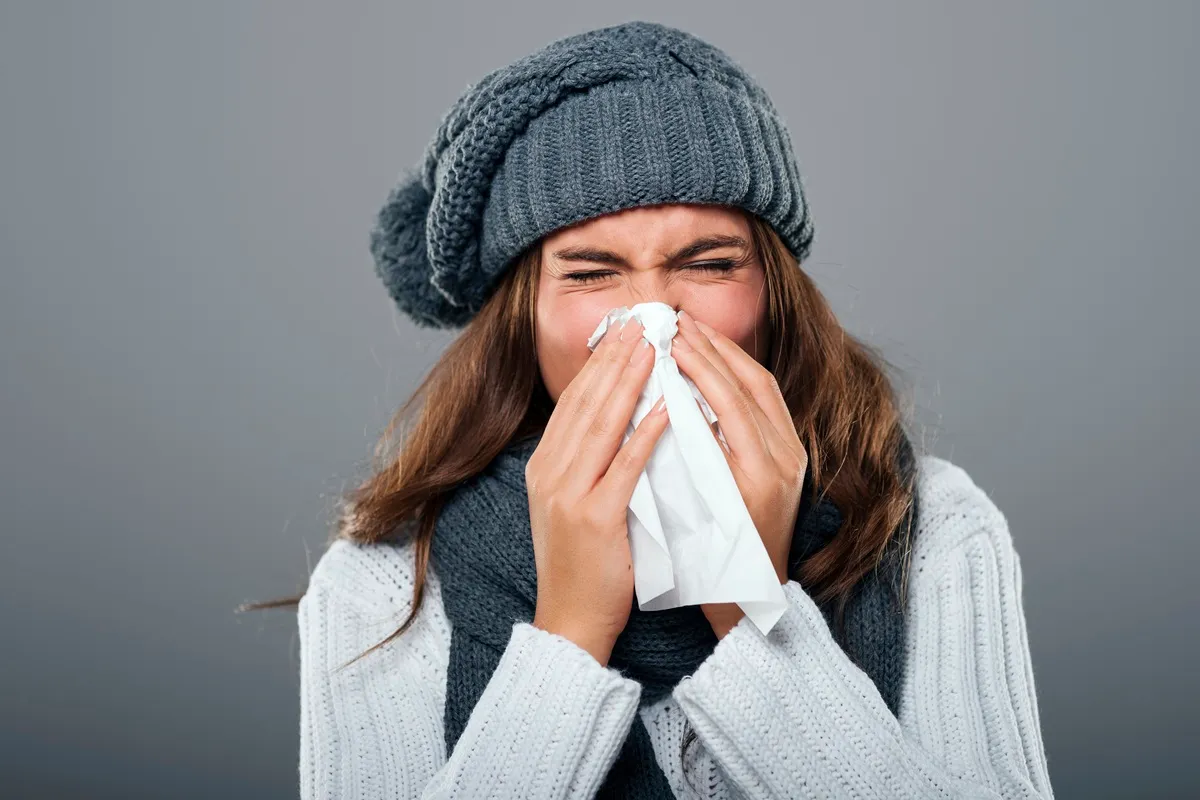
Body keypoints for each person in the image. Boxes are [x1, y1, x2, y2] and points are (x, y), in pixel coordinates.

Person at [291, 20, 1054, 799]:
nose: (654, 319)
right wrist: (569, 636)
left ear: (774, 296)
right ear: (521, 319)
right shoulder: (381, 591)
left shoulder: (933, 533)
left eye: (710, 264)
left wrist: (748, 602)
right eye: (592, 273)